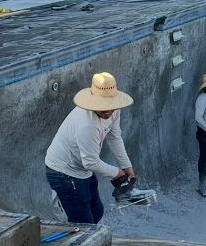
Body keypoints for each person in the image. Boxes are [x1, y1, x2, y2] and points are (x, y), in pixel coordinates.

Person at [44, 72, 137, 224]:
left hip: (82, 169)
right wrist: (117, 173)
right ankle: (64, 206)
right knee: (85, 225)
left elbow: (114, 137)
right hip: (63, 173)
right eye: (102, 107)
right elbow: (91, 162)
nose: (107, 112)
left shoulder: (114, 110)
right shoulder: (88, 125)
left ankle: (68, 205)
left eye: (110, 107)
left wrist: (127, 166)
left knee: (97, 213)